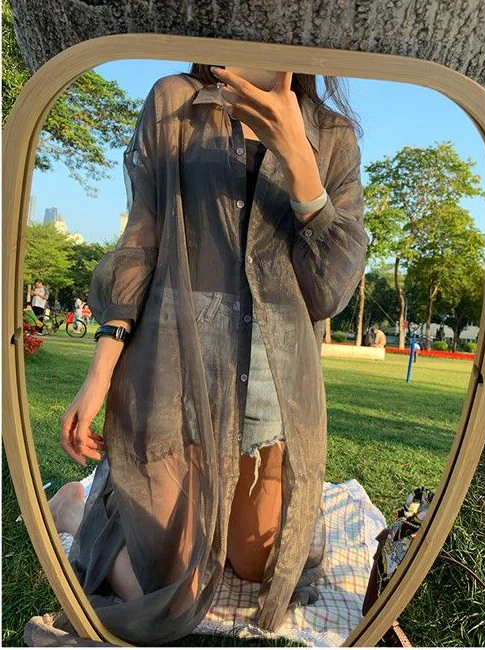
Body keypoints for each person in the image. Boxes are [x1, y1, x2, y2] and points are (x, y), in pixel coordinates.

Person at [58, 65, 367, 645]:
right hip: (174, 380)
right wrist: (100, 373)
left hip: (270, 396)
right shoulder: (176, 101)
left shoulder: (330, 134)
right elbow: (141, 238)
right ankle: (78, 508)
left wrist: (297, 154)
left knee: (261, 568)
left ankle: (178, 509)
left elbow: (329, 290)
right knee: (175, 589)